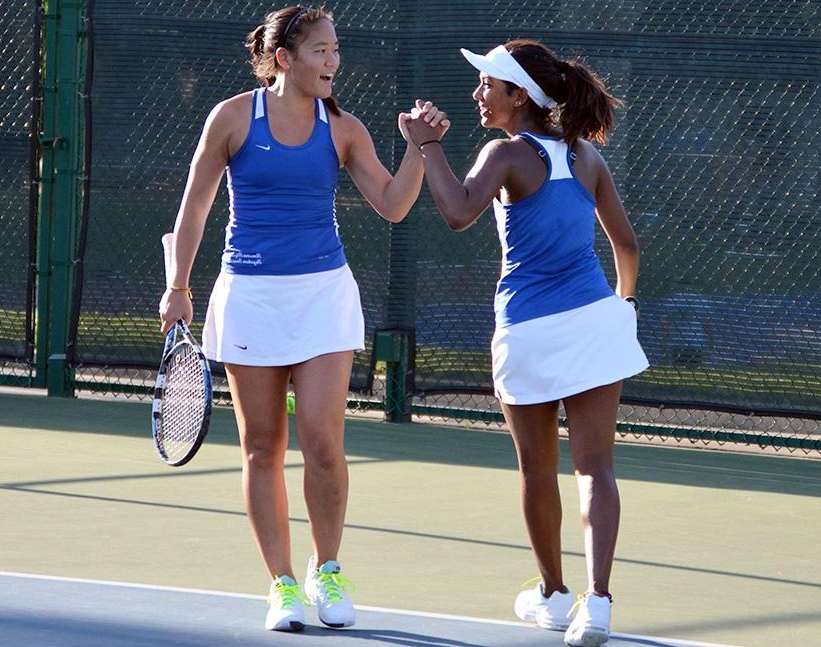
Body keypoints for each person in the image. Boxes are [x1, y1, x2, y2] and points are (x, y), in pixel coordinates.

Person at [157, 5, 447, 633]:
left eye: (335, 50)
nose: (333, 62)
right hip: (249, 298)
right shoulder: (232, 119)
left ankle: (329, 568)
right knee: (262, 448)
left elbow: (394, 205)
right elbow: (196, 204)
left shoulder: (344, 129)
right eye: (320, 51)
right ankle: (282, 585)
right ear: (283, 58)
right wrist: (177, 285)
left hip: (322, 296)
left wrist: (420, 149)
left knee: (322, 442)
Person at [403, 40, 648, 647]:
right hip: (595, 322)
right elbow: (628, 247)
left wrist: (427, 146)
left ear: (519, 95)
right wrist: (624, 304)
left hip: (529, 331)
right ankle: (596, 603)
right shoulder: (585, 157)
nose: (477, 94)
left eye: (488, 84)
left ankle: (555, 594)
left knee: (538, 472)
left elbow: (458, 211)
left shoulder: (506, 154)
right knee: (596, 470)